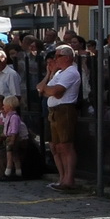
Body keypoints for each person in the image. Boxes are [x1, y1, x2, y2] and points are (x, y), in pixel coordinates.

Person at [39, 46, 82, 191]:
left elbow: (57, 92)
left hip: (65, 110)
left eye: (58, 56)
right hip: (54, 111)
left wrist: (47, 90)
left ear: (67, 57)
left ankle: (69, 179)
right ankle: (62, 177)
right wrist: (48, 81)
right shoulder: (59, 73)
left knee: (66, 145)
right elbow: (41, 89)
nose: (55, 59)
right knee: (56, 146)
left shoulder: (71, 72)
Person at [0, 97, 27, 180]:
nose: (3, 107)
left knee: (10, 155)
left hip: (13, 138)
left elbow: (14, 130)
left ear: (9, 106)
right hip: (8, 137)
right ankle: (18, 172)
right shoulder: (8, 116)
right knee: (15, 156)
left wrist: (12, 140)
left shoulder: (14, 117)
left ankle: (8, 172)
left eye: (4, 105)